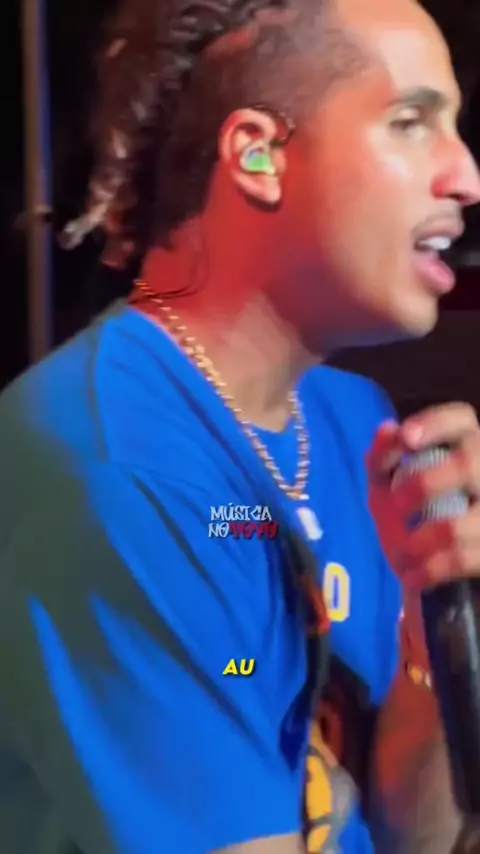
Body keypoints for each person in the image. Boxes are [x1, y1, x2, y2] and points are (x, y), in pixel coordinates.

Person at [1, 0, 480, 851]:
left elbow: (413, 834)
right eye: (410, 122)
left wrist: (430, 624)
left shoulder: (352, 420)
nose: (466, 176)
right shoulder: (121, 471)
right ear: (258, 155)